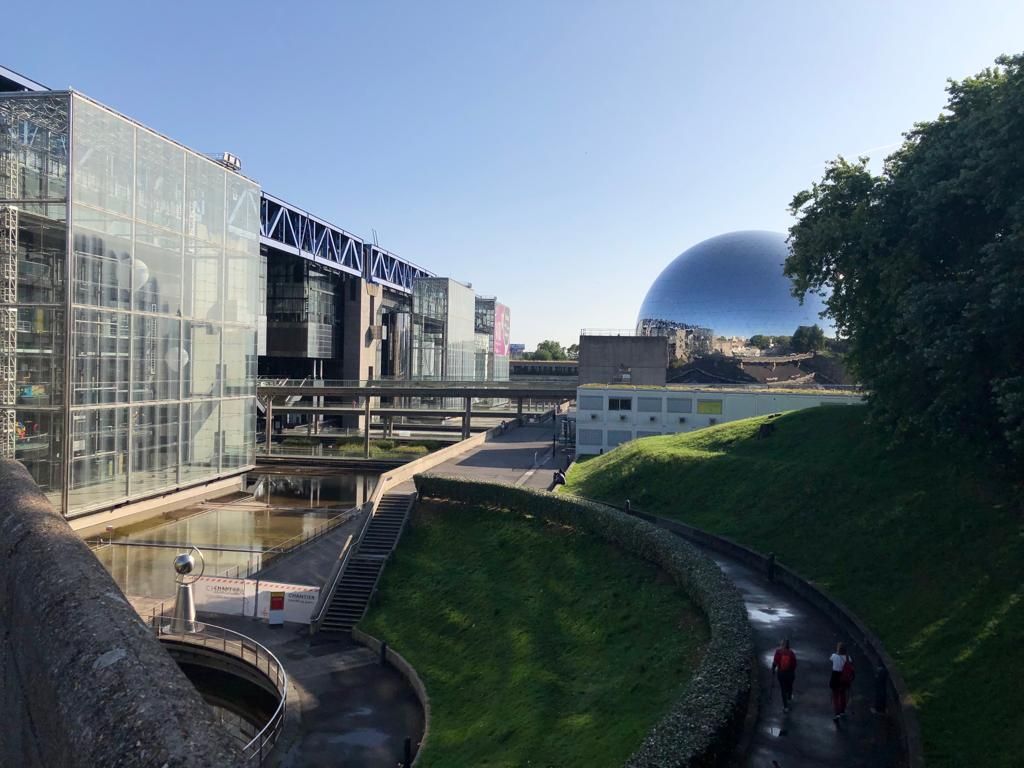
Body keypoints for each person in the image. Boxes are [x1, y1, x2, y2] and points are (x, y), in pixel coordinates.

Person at [829, 642, 854, 721]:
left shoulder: (834, 656)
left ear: (838, 649)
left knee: (835, 696)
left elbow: (831, 659)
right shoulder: (848, 658)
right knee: (842, 694)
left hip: (835, 676)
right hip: (844, 678)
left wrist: (837, 653)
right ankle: (842, 710)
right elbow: (850, 664)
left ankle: (837, 713)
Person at [771, 638, 797, 712]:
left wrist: (773, 669)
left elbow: (775, 662)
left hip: (781, 673)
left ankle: (785, 707)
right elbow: (794, 664)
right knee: (790, 685)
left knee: (783, 689)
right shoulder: (791, 653)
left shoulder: (778, 652)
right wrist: (792, 670)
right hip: (790, 673)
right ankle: (789, 697)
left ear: (782, 645)